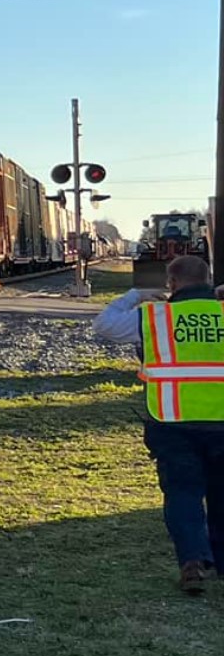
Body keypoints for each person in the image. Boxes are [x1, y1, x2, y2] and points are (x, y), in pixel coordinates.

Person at [93, 254, 224, 593]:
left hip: (172, 421)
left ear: (172, 284)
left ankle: (192, 562)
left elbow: (104, 324)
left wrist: (135, 295)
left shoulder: (154, 318)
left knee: (183, 493)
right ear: (208, 280)